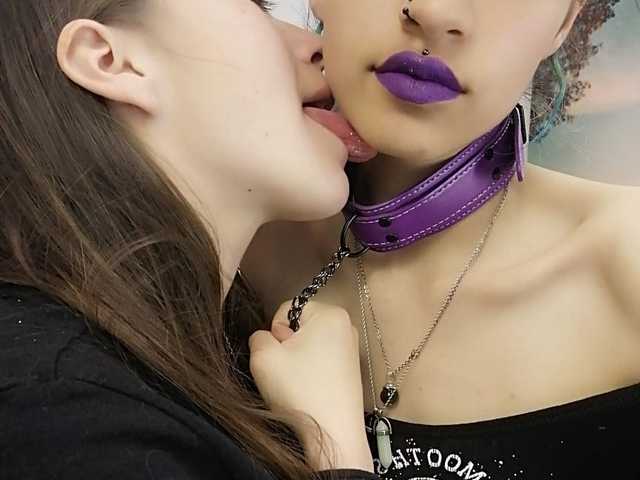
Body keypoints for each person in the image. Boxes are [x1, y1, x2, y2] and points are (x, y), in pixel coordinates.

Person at [243, 0, 640, 478]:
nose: (434, 11)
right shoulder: (219, 243)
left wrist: (338, 455)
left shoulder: (627, 264)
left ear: (565, 21)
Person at [0, 0, 378, 478]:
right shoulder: (63, 414)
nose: (316, 46)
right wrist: (338, 454)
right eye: (254, 4)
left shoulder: (161, 366)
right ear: (110, 60)